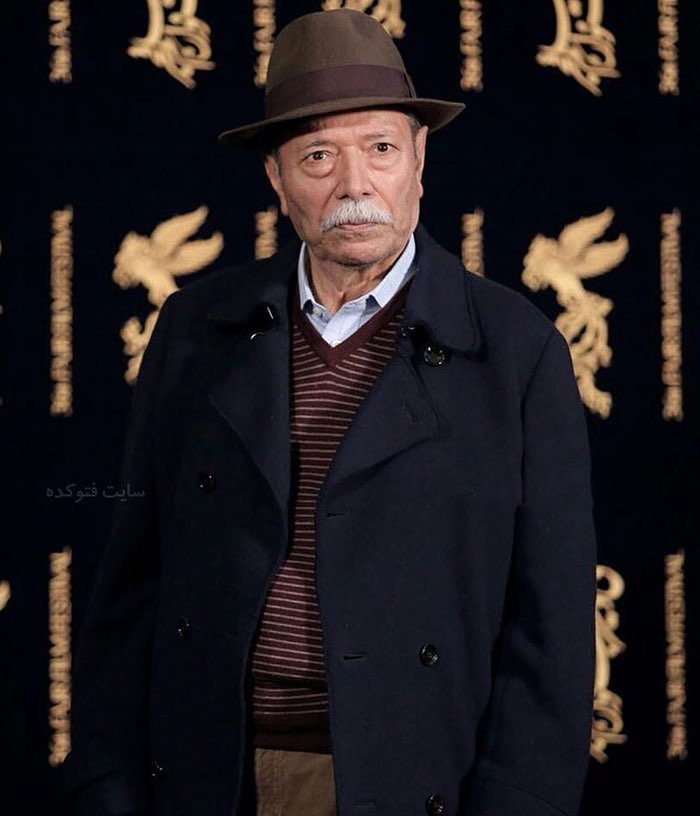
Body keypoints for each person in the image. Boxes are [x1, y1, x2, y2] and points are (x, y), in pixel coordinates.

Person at [63, 9, 596, 816]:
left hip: (409, 781)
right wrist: (106, 785)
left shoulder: (516, 352)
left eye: (380, 149)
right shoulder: (195, 331)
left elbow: (551, 634)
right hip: (213, 776)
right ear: (277, 179)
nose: (354, 185)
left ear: (419, 160)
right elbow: (130, 587)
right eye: (318, 156)